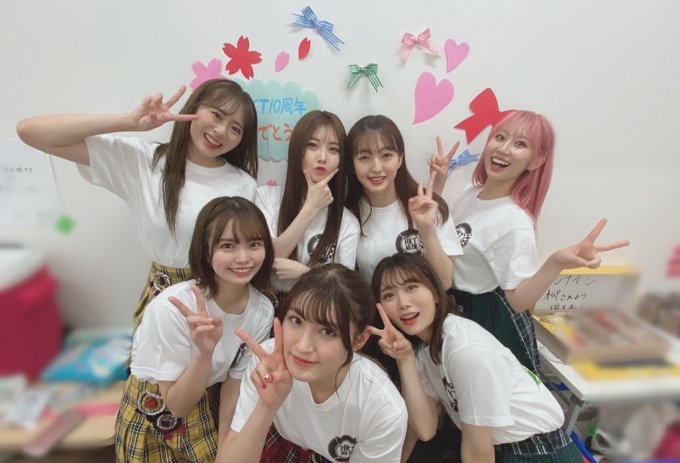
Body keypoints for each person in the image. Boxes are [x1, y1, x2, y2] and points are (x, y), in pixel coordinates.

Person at [16, 79, 259, 326]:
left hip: (220, 306)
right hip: (162, 303)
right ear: (194, 107)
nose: (221, 131)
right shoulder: (143, 161)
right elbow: (30, 131)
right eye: (216, 115)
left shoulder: (243, 184)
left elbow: (250, 253)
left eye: (235, 129)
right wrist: (131, 121)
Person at [372, 253, 598, 463]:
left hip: (540, 459)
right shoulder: (425, 351)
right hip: (489, 450)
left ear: (435, 292)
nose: (403, 303)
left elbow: (479, 453)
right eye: (389, 295)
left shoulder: (464, 348)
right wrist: (404, 359)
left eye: (412, 287)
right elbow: (425, 429)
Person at [432, 110, 629, 371]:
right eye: (500, 137)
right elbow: (439, 235)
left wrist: (555, 262)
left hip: (486, 317)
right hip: (454, 304)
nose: (503, 148)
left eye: (520, 144)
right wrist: (437, 185)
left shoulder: (514, 221)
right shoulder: (470, 193)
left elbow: (518, 300)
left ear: (536, 161)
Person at [113, 197, 275, 463]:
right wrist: (204, 353)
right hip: (156, 409)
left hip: (206, 402)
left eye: (254, 244)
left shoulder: (261, 310)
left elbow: (233, 386)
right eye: (227, 246)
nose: (243, 257)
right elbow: (176, 405)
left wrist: (223, 457)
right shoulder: (172, 307)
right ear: (206, 250)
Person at [215, 264, 408, 463]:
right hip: (282, 451)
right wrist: (267, 406)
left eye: (327, 331)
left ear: (359, 339)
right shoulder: (267, 364)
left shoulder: (383, 407)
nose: (303, 346)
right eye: (296, 320)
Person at [345, 115, 462, 288]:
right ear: (352, 165)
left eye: (386, 155)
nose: (376, 168)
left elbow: (444, 282)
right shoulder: (347, 217)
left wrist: (427, 230)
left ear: (399, 159)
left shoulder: (428, 206)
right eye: (364, 157)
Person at [254, 110, 359, 294]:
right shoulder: (266, 197)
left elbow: (343, 291)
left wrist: (305, 274)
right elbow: (266, 259)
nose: (322, 157)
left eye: (333, 149)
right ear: (297, 150)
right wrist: (311, 207)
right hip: (266, 304)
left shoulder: (347, 222)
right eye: (312, 145)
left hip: (317, 308)